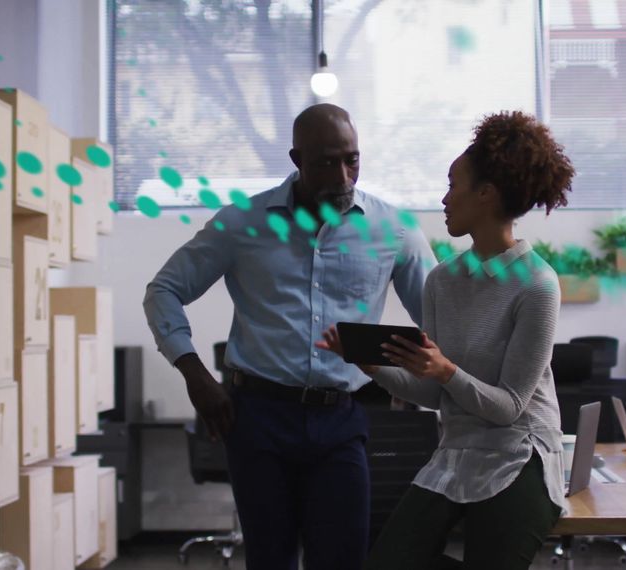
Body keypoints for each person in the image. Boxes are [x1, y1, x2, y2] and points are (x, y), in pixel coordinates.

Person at [143, 103, 436, 570]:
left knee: (342, 559)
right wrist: (194, 372)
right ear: (296, 159)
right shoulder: (242, 223)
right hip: (257, 418)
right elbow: (164, 291)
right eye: (325, 162)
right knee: (270, 560)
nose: (343, 176)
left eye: (352, 160)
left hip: (342, 418)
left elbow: (439, 320)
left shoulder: (393, 229)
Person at [318, 110, 576, 570]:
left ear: (486, 194)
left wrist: (446, 371)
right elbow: (435, 394)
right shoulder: (442, 281)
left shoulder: (538, 284)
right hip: (456, 453)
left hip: (520, 455)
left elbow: (508, 407)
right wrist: (371, 364)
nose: (444, 197)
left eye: (453, 184)